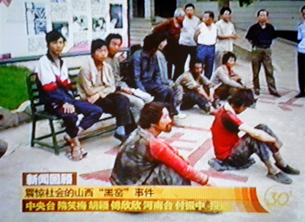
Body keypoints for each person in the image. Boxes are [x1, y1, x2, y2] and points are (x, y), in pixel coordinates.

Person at [35, 30, 103, 161]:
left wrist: (69, 101)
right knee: (70, 115)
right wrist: (63, 102)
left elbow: (66, 86)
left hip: (67, 99)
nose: (59, 45)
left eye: (61, 42)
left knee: (96, 110)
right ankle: (75, 144)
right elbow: (49, 88)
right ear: (48, 45)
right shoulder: (43, 62)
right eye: (55, 42)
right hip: (52, 101)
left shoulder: (61, 62)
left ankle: (72, 135)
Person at [110, 102, 213, 186]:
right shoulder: (153, 144)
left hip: (119, 185)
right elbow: (183, 168)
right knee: (172, 170)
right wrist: (207, 181)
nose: (169, 120)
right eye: (165, 117)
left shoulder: (139, 132)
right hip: (134, 193)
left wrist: (176, 153)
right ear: (153, 123)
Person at [210, 89, 300, 184]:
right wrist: (273, 140)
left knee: (262, 127)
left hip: (231, 147)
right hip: (227, 157)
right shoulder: (228, 116)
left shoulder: (225, 109)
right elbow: (255, 134)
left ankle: (281, 162)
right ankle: (272, 170)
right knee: (255, 138)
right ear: (242, 105)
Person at [78, 39, 135, 142]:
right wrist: (103, 90)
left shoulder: (107, 67)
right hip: (89, 99)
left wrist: (99, 93)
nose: (103, 54)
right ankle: (127, 131)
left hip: (101, 96)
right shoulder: (85, 68)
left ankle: (122, 130)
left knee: (123, 99)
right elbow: (89, 91)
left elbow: (112, 86)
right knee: (120, 106)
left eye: (105, 51)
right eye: (99, 51)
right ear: (93, 52)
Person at [129, 34, 179, 117]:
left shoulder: (153, 56)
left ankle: (170, 113)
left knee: (168, 89)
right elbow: (136, 78)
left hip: (151, 83)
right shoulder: (137, 57)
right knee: (163, 90)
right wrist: (144, 92)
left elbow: (157, 72)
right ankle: (157, 111)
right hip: (141, 84)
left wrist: (158, 84)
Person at [105, 33, 152, 122]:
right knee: (139, 103)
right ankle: (134, 127)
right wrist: (121, 88)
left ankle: (140, 123)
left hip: (121, 86)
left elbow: (118, 76)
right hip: (112, 91)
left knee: (147, 98)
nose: (116, 48)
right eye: (114, 44)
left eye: (119, 45)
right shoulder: (104, 61)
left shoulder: (115, 59)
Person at [245, 9, 281, 97]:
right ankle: (256, 88)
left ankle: (272, 89)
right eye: (261, 15)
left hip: (267, 49)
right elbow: (249, 38)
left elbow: (273, 37)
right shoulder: (253, 28)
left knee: (269, 70)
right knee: (256, 71)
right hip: (257, 49)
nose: (263, 17)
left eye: (264, 15)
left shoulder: (270, 27)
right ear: (257, 17)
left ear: (267, 17)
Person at [153, 8, 185, 80]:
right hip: (169, 45)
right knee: (169, 63)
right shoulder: (169, 22)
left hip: (177, 44)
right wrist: (162, 39)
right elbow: (155, 29)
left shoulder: (181, 23)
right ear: (178, 17)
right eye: (182, 17)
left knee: (179, 64)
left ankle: (176, 79)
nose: (183, 18)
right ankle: (168, 79)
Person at [175, 3, 200, 81]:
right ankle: (177, 80)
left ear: (194, 11)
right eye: (187, 10)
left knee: (192, 64)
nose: (189, 11)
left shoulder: (197, 20)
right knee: (180, 63)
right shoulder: (182, 19)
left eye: (191, 10)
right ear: (185, 11)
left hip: (193, 44)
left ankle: (192, 80)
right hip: (183, 43)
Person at [195, 11, 217, 79]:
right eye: (203, 17)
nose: (204, 19)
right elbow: (195, 36)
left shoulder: (215, 26)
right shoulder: (200, 26)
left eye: (206, 17)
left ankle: (207, 81)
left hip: (211, 47)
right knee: (199, 65)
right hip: (202, 47)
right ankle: (198, 80)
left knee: (209, 66)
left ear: (211, 18)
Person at [296, 5, 305, 98]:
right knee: (301, 71)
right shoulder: (301, 25)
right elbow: (299, 38)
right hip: (302, 50)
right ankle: (302, 90)